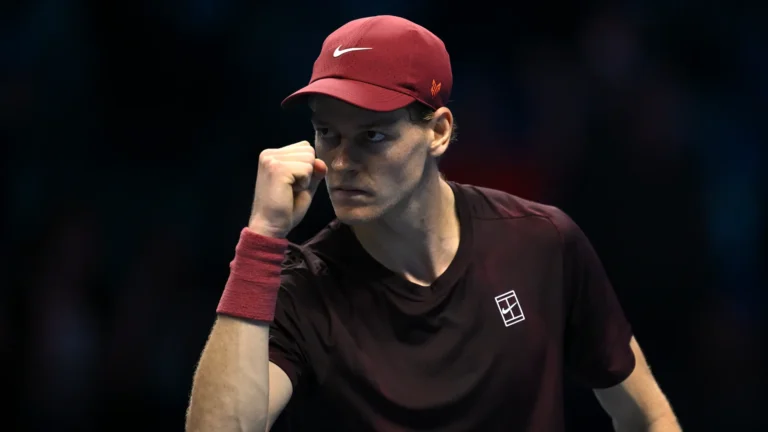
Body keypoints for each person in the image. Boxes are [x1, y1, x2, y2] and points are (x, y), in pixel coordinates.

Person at [186, 15, 680, 432]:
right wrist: (262, 238)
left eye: (372, 136)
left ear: (439, 132)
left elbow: (648, 417)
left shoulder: (542, 241)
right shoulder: (300, 288)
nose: (340, 162)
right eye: (327, 133)